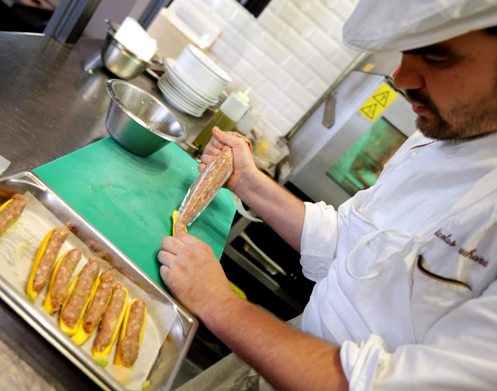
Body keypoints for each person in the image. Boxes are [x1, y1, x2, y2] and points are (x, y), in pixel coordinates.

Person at [158, 1, 497, 390]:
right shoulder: (437, 132)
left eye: (436, 57)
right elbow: (346, 242)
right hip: (276, 351)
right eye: (407, 49)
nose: (401, 79)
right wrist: (247, 180)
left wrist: (219, 304)